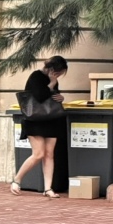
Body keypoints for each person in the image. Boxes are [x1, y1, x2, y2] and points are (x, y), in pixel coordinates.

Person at [11, 55, 68, 196]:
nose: (59, 75)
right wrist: (51, 84)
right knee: (38, 154)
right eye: (58, 72)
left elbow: (53, 97)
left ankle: (48, 188)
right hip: (35, 121)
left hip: (51, 119)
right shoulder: (36, 76)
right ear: (51, 69)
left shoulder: (54, 81)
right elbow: (40, 96)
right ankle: (17, 179)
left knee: (49, 155)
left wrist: (60, 97)